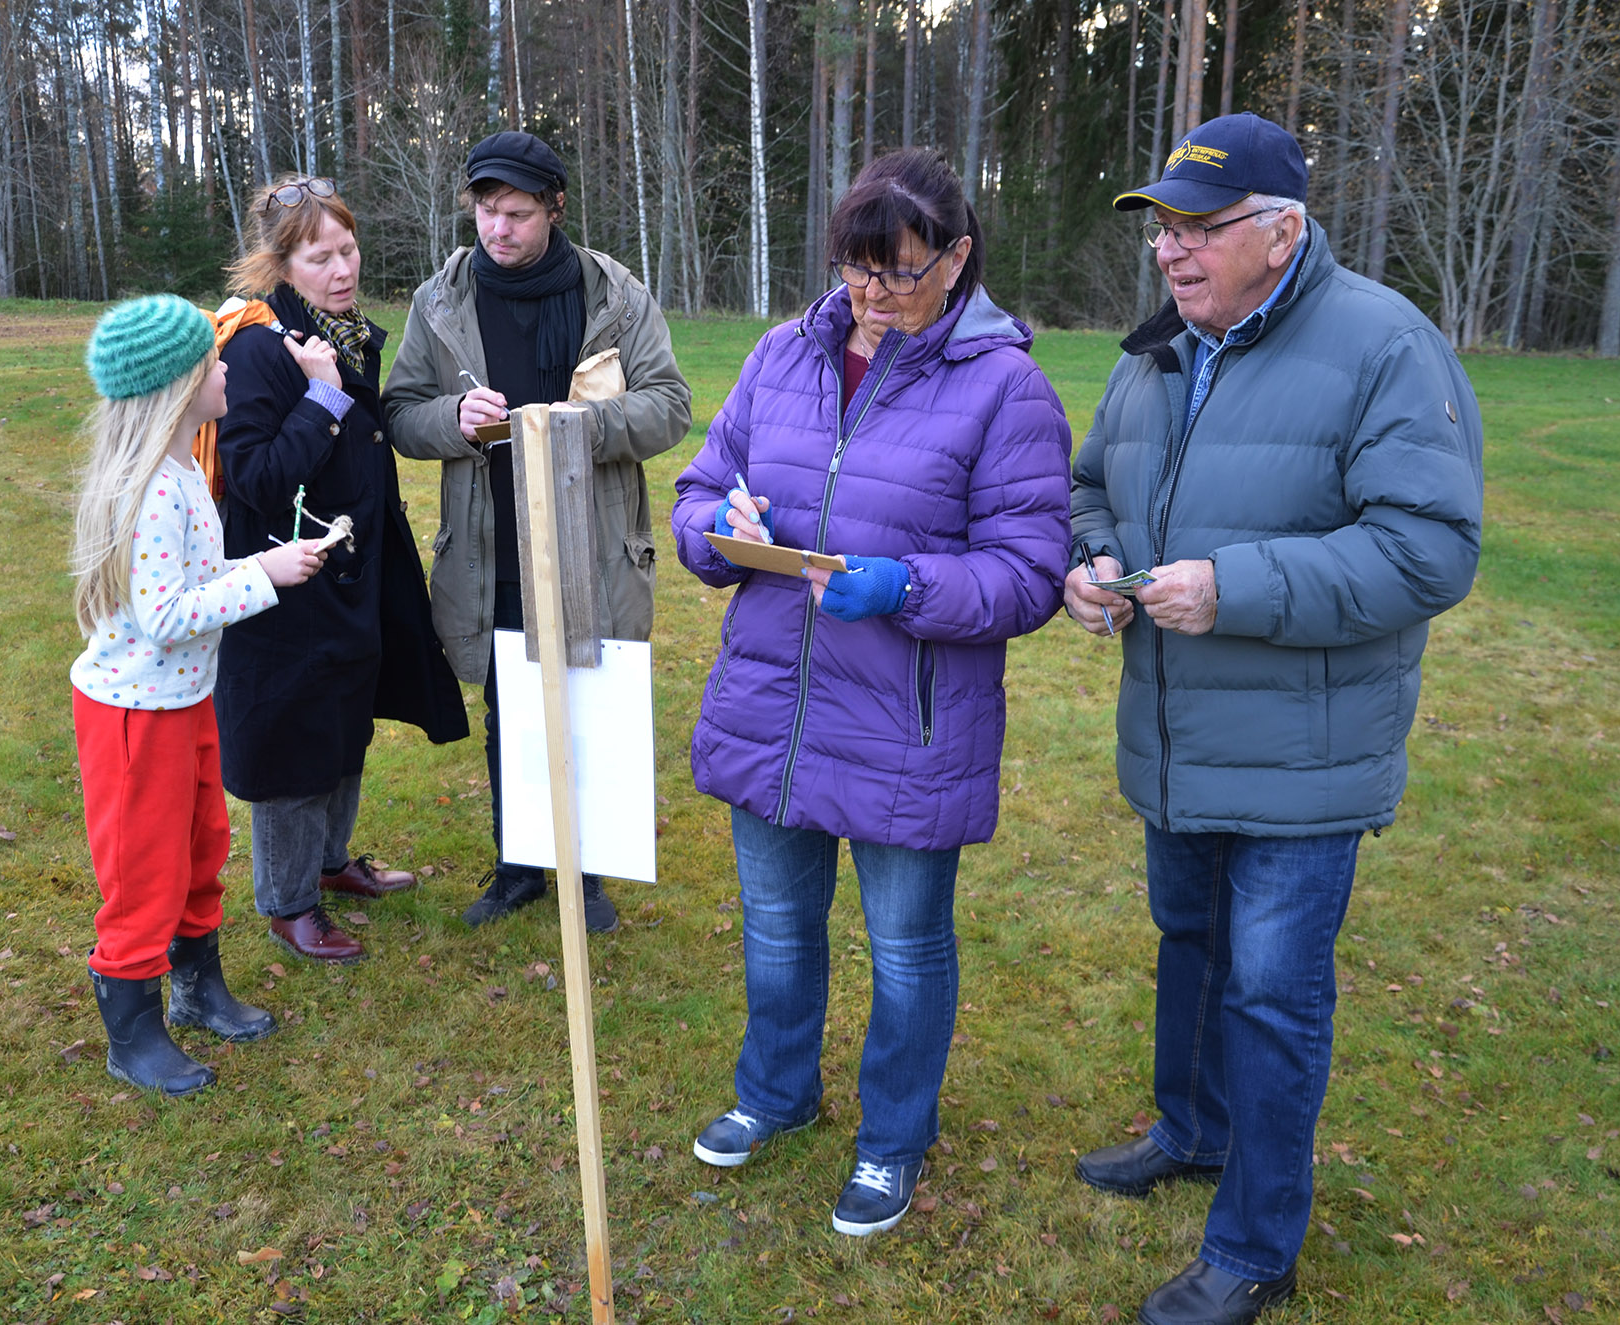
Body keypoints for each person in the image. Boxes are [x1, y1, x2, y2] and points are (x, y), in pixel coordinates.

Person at [1064, 113, 1484, 1325]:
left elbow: (1428, 549)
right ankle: (1189, 1130)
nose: (1172, 255)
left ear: (1280, 230)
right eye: (1163, 232)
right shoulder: (1155, 350)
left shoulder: (1382, 345)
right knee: (1188, 950)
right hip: (1177, 742)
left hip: (1303, 756)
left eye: (1200, 230)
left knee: (1270, 993)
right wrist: (1092, 564)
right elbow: (1095, 485)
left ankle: (1253, 1243)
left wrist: (1231, 585)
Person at [671, 148, 1072, 1237]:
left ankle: (892, 1139)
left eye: (896, 275)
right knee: (776, 921)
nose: (872, 297)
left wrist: (909, 587)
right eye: (855, 273)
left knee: (904, 945)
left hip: (908, 720)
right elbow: (704, 483)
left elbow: (1030, 568)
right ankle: (774, 1092)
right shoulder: (780, 355)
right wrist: (714, 531)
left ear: (954, 260)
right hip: (774, 699)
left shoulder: (1005, 389)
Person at [383, 131, 692, 934]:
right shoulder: (441, 300)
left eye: (516, 212)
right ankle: (519, 867)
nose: (497, 229)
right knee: (513, 706)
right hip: (491, 545)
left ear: (555, 208)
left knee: (590, 695)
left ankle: (585, 878)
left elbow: (670, 403)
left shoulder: (613, 294)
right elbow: (399, 414)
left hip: (593, 539)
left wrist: (584, 426)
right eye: (486, 211)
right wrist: (453, 419)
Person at [71, 295, 329, 1095]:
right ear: (180, 388)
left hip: (184, 701)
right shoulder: (152, 488)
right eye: (212, 362)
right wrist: (264, 576)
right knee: (143, 867)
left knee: (199, 844)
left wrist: (267, 562)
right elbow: (166, 615)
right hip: (133, 717)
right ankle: (133, 1029)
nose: (227, 368)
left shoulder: (185, 467)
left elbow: (189, 582)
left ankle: (197, 986)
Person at [214, 174, 468, 966]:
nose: (341, 268)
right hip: (289, 583)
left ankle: (330, 862)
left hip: (353, 569)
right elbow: (253, 478)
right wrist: (322, 401)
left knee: (345, 720)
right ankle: (290, 901)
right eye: (319, 257)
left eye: (348, 249)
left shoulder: (344, 332)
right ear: (279, 266)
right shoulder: (262, 347)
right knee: (294, 736)